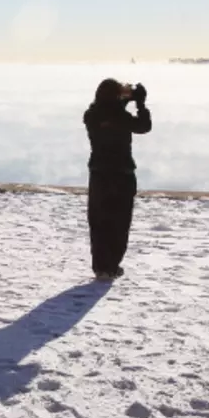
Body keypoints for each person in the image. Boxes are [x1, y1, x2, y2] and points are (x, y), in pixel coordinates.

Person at [83, 78, 151, 281]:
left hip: (98, 175)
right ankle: (112, 266)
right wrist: (140, 102)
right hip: (122, 174)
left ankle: (100, 267)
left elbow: (108, 112)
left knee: (99, 221)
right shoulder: (122, 117)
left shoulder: (91, 115)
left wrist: (123, 99)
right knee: (119, 222)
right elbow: (144, 126)